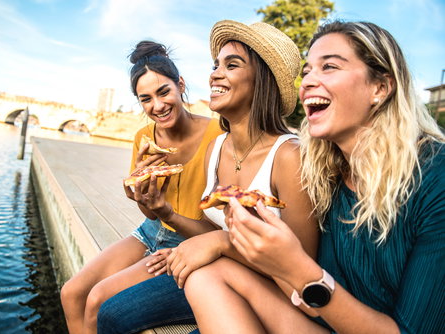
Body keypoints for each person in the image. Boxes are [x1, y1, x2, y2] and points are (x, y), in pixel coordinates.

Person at [183, 20, 445, 334]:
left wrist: (297, 268)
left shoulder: (434, 177)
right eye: (307, 72)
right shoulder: (327, 174)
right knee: (205, 277)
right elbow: (306, 300)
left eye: (329, 67)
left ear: (380, 87)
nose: (307, 82)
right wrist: (254, 244)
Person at [98, 20, 319, 333]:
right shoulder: (217, 148)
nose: (215, 73)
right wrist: (165, 211)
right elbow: (209, 228)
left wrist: (221, 244)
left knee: (113, 315)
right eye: (216, 64)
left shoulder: (290, 156)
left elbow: (302, 268)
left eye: (232, 64)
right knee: (110, 314)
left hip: (269, 295)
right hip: (214, 274)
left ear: (262, 80)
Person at [60, 40, 223, 334]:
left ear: (180, 85)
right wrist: (138, 192)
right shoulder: (144, 137)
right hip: (151, 231)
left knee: (97, 300)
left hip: (192, 239)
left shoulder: (218, 133)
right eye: (145, 99)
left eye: (164, 92)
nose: (157, 106)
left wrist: (164, 211)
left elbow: (219, 225)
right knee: (71, 294)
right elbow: (150, 215)